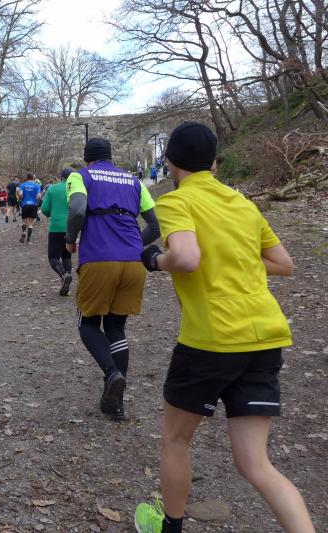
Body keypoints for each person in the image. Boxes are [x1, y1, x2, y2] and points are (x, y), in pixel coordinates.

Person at [133, 122, 315, 533]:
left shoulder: (177, 201)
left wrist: (155, 260)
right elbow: (283, 263)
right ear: (214, 163)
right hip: (265, 336)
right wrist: (234, 259)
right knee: (256, 462)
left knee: (176, 439)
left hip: (212, 339)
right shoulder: (243, 204)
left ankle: (170, 526)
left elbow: (186, 257)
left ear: (170, 162)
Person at [65, 138, 160, 420]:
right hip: (133, 263)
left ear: (87, 159)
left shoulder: (80, 176)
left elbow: (78, 209)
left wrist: (70, 240)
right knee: (116, 327)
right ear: (110, 157)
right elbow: (155, 225)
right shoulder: (133, 181)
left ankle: (112, 374)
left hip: (99, 259)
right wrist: (134, 245)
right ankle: (116, 405)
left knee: (87, 323)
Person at [41, 169, 73, 296]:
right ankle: (66, 279)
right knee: (66, 256)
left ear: (61, 177)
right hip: (72, 227)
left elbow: (44, 209)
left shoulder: (53, 189)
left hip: (56, 227)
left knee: (53, 257)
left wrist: (52, 213)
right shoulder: (76, 189)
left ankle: (64, 276)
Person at [17, 173, 42, 243]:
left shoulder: (22, 185)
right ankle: (28, 239)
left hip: (25, 204)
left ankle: (24, 232)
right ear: (33, 178)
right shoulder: (37, 185)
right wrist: (37, 201)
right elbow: (39, 196)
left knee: (24, 222)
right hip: (33, 205)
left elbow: (20, 194)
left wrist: (21, 198)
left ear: (27, 177)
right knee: (30, 224)